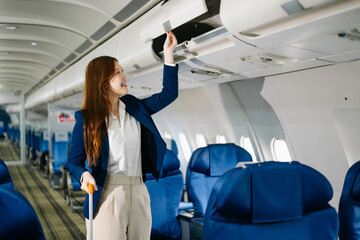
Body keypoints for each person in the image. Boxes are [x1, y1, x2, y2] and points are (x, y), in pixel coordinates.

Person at [67, 31, 178, 240]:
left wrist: (169, 55)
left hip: (139, 191)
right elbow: (73, 162)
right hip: (108, 192)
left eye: (122, 70)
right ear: (102, 81)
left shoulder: (135, 107)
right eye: (118, 72)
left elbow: (168, 95)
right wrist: (84, 175)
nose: (124, 76)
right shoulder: (87, 118)